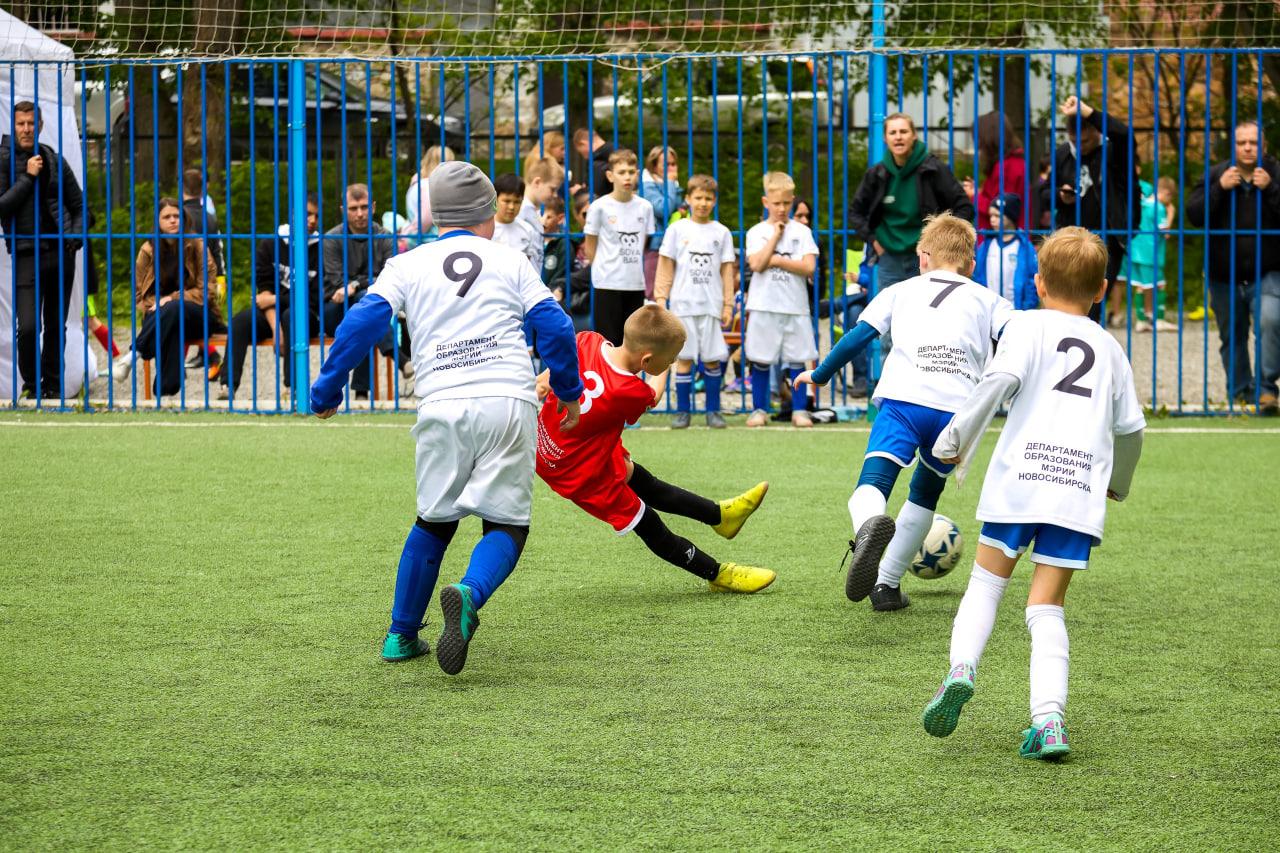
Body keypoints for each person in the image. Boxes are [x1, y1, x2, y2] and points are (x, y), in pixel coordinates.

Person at [310, 160, 583, 675]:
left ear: (436, 215)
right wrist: (568, 391)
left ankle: (400, 635)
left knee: (433, 521)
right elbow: (554, 325)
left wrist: (328, 387)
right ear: (486, 212)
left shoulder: (406, 263)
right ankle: (468, 592)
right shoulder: (508, 260)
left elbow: (363, 321)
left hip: (441, 400)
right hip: (507, 398)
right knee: (506, 524)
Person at [922, 227, 1145, 760]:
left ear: (1039, 282)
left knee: (984, 585)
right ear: (1101, 289)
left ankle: (960, 671)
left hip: (1020, 482)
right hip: (1075, 492)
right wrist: (1119, 483)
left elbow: (995, 384)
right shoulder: (1111, 349)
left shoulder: (1025, 327)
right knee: (1046, 607)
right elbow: (1132, 430)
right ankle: (1049, 722)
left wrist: (954, 440)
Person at [794, 213, 1013, 611]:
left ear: (923, 257)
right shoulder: (990, 300)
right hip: (956, 414)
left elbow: (859, 336)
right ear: (972, 265)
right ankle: (887, 586)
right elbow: (1019, 342)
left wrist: (821, 375)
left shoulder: (901, 290)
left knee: (873, 483)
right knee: (925, 495)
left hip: (903, 401)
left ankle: (867, 530)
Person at [535, 304, 774, 592]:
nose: (672, 365)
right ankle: (718, 574)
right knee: (646, 521)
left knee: (633, 474)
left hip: (550, 444)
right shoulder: (629, 390)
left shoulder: (587, 339)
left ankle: (720, 516)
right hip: (575, 470)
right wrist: (660, 374)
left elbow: (549, 375)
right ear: (647, 361)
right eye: (671, 361)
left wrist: (544, 383)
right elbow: (654, 395)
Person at [1185, 120, 1280, 412]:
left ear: (1263, 146)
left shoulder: (1275, 173)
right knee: (1232, 335)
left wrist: (1272, 189)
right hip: (1223, 274)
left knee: (1271, 321)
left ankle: (1266, 391)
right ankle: (1240, 392)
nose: (1248, 148)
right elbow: (1194, 215)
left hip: (1268, 272)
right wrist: (1219, 188)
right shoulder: (1216, 174)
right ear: (1234, 146)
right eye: (1242, 143)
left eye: (1253, 142)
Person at [0, 101, 84, 399]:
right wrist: (27, 176)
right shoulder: (4, 160)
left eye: (31, 124)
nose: (26, 129)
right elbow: (2, 206)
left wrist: (74, 237)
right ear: (14, 126)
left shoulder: (54, 159)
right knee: (28, 327)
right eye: (21, 124)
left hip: (61, 252)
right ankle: (32, 384)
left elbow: (79, 205)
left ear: (40, 125)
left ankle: (52, 387)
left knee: (55, 326)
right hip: (26, 252)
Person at [1040, 96, 1139, 326]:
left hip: (1107, 239)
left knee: (1090, 305)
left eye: (1085, 140)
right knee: (1063, 304)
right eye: (1075, 140)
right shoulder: (1064, 154)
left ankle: (1086, 353)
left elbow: (1125, 135)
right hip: (1068, 240)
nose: (1080, 145)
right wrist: (1060, 196)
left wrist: (1087, 111)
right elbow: (1042, 194)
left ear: (1097, 132)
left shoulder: (1114, 152)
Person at [110, 197, 223, 397]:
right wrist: (160, 303)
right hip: (164, 317)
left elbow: (207, 291)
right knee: (170, 318)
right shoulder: (148, 250)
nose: (173, 220)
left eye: (177, 216)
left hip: (198, 314)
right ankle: (164, 391)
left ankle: (132, 356)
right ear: (158, 221)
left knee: (172, 308)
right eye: (167, 217)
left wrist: (172, 298)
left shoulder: (197, 245)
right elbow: (140, 295)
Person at [849, 113, 973, 290]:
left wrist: (940, 241)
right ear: (885, 138)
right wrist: (874, 241)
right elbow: (855, 212)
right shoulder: (877, 174)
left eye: (903, 131)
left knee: (926, 314)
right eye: (893, 132)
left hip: (928, 257)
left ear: (914, 135)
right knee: (891, 316)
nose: (898, 137)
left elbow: (964, 207)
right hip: (889, 259)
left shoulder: (933, 169)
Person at [654, 174, 736, 430]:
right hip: (682, 305)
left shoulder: (721, 232)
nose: (703, 203)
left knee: (712, 360)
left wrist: (728, 304)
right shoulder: (677, 229)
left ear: (714, 201)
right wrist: (660, 297)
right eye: (698, 197)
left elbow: (726, 271)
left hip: (711, 306)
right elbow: (666, 265)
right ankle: (683, 412)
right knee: (684, 360)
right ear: (688, 199)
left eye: (708, 198)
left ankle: (713, 411)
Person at [219, 196, 321, 400]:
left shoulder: (321, 247)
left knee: (292, 315)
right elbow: (263, 291)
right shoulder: (271, 244)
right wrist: (276, 329)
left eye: (316, 216)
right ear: (293, 215)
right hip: (272, 315)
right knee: (240, 322)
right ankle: (227, 386)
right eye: (307, 214)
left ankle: (293, 388)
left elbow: (311, 298)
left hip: (305, 314)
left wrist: (274, 300)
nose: (312, 220)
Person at [744, 171, 820, 428]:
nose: (781, 208)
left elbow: (809, 266)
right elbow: (756, 263)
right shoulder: (756, 232)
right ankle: (759, 409)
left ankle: (800, 410)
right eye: (776, 204)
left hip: (794, 305)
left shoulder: (802, 232)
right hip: (763, 304)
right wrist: (775, 238)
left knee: (798, 357)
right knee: (761, 358)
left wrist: (776, 260)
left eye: (786, 203)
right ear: (766, 202)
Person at [312, 183, 396, 400]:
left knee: (364, 308)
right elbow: (336, 280)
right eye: (353, 208)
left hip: (369, 306)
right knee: (366, 310)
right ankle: (397, 357)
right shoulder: (332, 238)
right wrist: (364, 284)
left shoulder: (385, 236)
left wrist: (356, 285)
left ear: (374, 207)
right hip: (334, 309)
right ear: (343, 210)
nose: (360, 213)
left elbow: (391, 278)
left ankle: (361, 392)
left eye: (364, 207)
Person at [582, 149, 655, 346]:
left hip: (635, 284)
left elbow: (644, 243)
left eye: (631, 171)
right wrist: (601, 269)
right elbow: (590, 245)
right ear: (610, 175)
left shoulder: (645, 207)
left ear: (637, 174)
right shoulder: (599, 207)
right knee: (608, 343)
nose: (627, 177)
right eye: (621, 172)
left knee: (633, 344)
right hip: (607, 283)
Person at [1119, 176, 1176, 333]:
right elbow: (1164, 231)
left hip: (1136, 250)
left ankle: (1142, 319)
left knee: (1141, 286)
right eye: (1170, 195)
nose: (1169, 200)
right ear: (1164, 191)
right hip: (1151, 253)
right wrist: (1171, 214)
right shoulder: (1159, 207)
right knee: (1159, 284)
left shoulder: (1142, 203)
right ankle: (1159, 319)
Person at [963, 112, 1029, 233]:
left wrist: (974, 196)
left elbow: (1001, 208)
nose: (978, 145)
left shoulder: (1006, 167)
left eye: (979, 138)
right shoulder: (1013, 162)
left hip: (1000, 240)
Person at [973, 193, 1038, 310]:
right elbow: (977, 275)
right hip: (989, 310)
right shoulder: (986, 245)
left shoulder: (1024, 247)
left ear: (1011, 217)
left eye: (997, 216)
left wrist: (1026, 309)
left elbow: (1031, 281)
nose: (992, 220)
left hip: (1015, 312)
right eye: (991, 215)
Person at [401, 145, 455, 247]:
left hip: (421, 241)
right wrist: (411, 234)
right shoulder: (428, 185)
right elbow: (426, 218)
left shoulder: (419, 184)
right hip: (429, 242)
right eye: (450, 162)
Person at [518, 156, 565, 273]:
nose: (555, 195)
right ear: (537, 182)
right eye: (552, 189)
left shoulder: (533, 211)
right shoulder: (519, 211)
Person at [491, 173, 539, 270]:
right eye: (507, 201)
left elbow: (532, 268)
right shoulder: (485, 229)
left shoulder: (527, 230)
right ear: (495, 199)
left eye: (517, 202)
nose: (511, 207)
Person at [572, 128, 615, 197]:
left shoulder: (598, 160)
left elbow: (597, 191)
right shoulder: (616, 150)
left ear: (583, 143)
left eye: (582, 153)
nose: (585, 157)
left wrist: (580, 191)